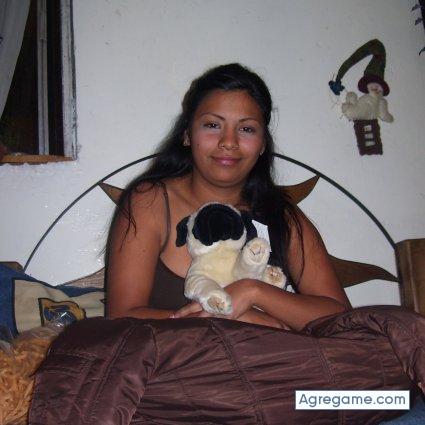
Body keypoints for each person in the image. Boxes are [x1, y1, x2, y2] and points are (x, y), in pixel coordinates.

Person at [106, 63, 351, 331]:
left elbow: (341, 320)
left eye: (246, 129)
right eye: (213, 125)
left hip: (270, 358)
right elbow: (121, 319)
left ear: (263, 144)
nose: (229, 142)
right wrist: (234, 318)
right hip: (174, 358)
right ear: (187, 135)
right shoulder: (150, 202)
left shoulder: (281, 215)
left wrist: (253, 291)